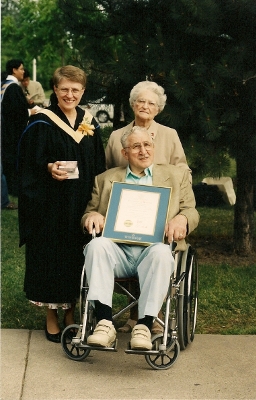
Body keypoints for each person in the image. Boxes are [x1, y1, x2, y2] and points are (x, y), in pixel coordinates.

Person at [82, 126, 199, 350]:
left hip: (153, 250)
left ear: (153, 147)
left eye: (147, 145)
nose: (143, 151)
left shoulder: (176, 176)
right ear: (125, 153)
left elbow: (191, 211)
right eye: (136, 146)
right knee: (96, 245)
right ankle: (104, 323)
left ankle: (144, 326)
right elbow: (88, 214)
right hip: (118, 253)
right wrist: (93, 215)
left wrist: (182, 219)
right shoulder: (105, 179)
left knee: (162, 254)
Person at [18, 65, 106, 343]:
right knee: (50, 258)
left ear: (83, 92)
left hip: (81, 205)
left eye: (75, 90)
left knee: (75, 259)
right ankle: (52, 316)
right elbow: (26, 164)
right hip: (49, 207)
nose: (70, 94)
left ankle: (71, 313)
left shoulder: (89, 123)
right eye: (64, 89)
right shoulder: (42, 121)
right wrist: (48, 167)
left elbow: (99, 165)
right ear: (55, 89)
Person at [105, 81, 191, 333]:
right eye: (140, 101)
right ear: (132, 104)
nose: (145, 106)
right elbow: (109, 174)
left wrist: (181, 210)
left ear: (158, 109)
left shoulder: (169, 135)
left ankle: (152, 314)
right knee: (125, 240)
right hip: (128, 212)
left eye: (151, 103)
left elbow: (182, 170)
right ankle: (135, 315)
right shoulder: (115, 137)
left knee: (155, 250)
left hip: (161, 214)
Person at [1, 59, 36, 196]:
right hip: (11, 131)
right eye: (21, 69)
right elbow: (14, 111)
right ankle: (13, 188)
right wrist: (29, 112)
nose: (23, 71)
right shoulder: (13, 87)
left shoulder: (4, 84)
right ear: (14, 70)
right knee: (13, 158)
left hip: (5, 128)